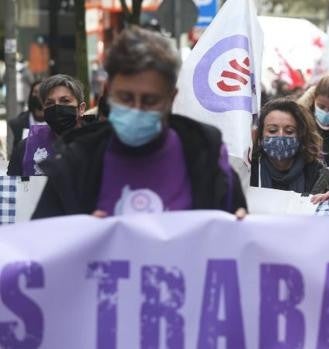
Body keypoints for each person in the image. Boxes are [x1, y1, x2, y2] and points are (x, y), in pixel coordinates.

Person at [31, 27, 247, 219]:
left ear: (171, 98)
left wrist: (237, 229)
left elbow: (237, 242)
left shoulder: (206, 158)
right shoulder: (76, 162)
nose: (136, 109)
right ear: (108, 94)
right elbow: (43, 248)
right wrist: (78, 236)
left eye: (150, 100)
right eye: (125, 98)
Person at [250, 98, 329, 203]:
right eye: (272, 130)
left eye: (289, 131)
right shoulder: (248, 171)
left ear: (301, 136)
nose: (280, 135)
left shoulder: (318, 173)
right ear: (260, 135)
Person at [7, 74, 87, 176]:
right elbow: (11, 189)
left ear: (81, 108)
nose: (57, 107)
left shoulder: (97, 146)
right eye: (50, 103)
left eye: (65, 101)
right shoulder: (24, 148)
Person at [8, 81, 43, 153]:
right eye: (35, 92)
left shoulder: (56, 123)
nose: (38, 95)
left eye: (42, 92)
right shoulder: (18, 123)